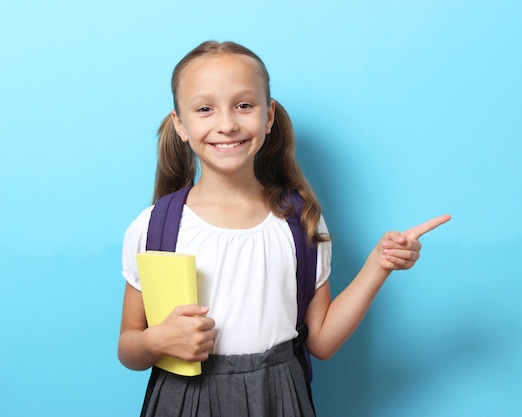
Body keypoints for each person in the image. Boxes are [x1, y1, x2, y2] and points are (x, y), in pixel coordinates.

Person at [118, 40, 450, 417]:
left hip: (277, 398)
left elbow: (321, 341)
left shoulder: (299, 221)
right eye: (205, 109)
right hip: (183, 400)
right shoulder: (154, 227)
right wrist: (155, 340)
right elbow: (129, 348)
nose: (226, 124)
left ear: (269, 116)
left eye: (244, 105)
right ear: (180, 124)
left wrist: (379, 264)